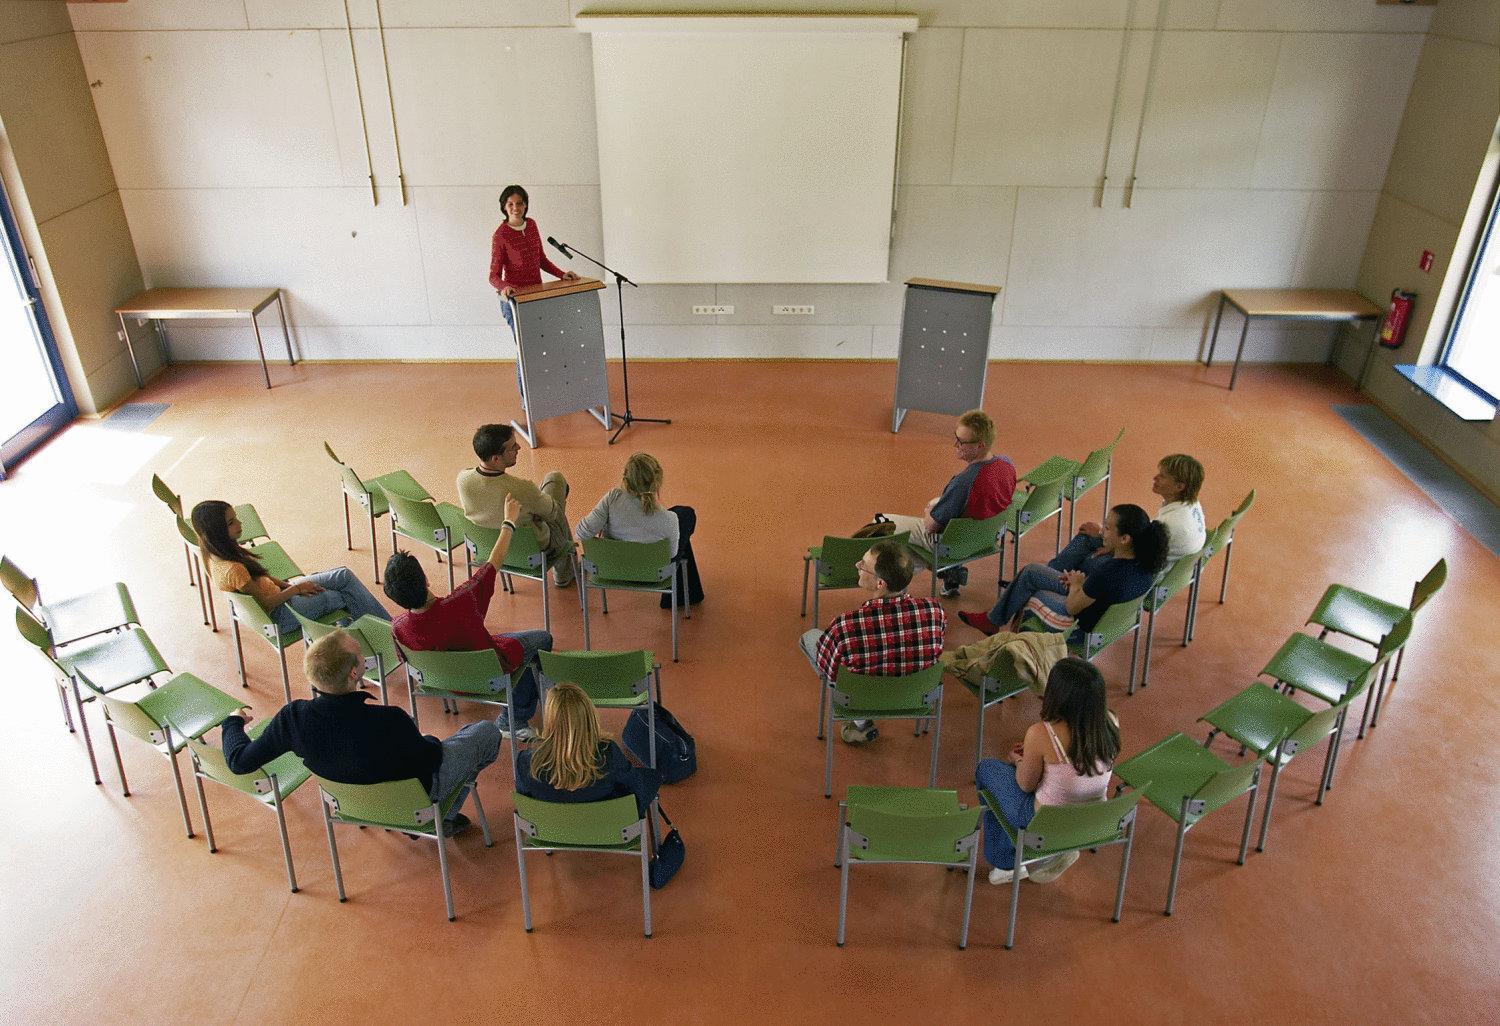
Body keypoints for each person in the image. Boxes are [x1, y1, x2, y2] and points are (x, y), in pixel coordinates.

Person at [220, 630, 499, 835]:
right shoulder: (390, 719)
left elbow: (239, 761)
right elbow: (430, 761)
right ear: (354, 673)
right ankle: (440, 818)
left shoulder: (292, 719)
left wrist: (233, 722)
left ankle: (438, 819)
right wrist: (428, 740)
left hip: (351, 804)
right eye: (359, 653)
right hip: (410, 802)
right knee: (485, 733)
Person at [382, 493, 552, 736]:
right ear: (425, 579)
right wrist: (509, 521)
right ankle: (513, 719)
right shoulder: (461, 603)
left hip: (443, 682)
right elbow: (493, 563)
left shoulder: (398, 628)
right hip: (491, 673)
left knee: (507, 639)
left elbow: (407, 661)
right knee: (542, 638)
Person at [974, 656, 1120, 883]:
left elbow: (1025, 785)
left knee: (987, 770)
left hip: (1046, 822)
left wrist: (1017, 760)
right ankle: (1057, 850)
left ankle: (1006, 862)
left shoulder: (1041, 733)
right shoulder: (1111, 722)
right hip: (1091, 818)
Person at [798, 539, 946, 744]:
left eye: (863, 566)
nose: (857, 565)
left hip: (861, 697)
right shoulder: (934, 611)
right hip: (913, 696)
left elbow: (830, 675)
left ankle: (860, 723)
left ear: (880, 584)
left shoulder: (845, 626)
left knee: (810, 637)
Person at [958, 504, 1167, 640]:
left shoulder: (1108, 571)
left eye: (1108, 528)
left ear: (1125, 539)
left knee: (1031, 583)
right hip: (1106, 619)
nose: (1103, 530)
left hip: (1079, 626)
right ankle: (996, 620)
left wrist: (1076, 583)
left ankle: (1009, 639)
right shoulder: (1147, 564)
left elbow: (1072, 606)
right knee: (1075, 547)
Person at [189, 500, 390, 635]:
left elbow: (261, 577)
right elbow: (266, 604)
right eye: (231, 522)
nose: (239, 523)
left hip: (284, 594)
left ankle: (382, 631)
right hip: (282, 614)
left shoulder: (211, 551)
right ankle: (389, 636)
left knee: (342, 576)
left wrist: (288, 585)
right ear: (217, 531)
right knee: (346, 596)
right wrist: (297, 589)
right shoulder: (233, 569)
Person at [878, 409, 1016, 597]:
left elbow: (930, 526)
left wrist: (929, 511)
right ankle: (950, 574)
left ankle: (897, 580)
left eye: (962, 442)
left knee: (881, 522)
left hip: (953, 544)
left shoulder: (963, 482)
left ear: (980, 445)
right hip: (985, 537)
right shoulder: (1006, 464)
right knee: (940, 505)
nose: (955, 445)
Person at [575, 452, 704, 608]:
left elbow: (582, 533)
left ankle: (692, 594)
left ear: (625, 478)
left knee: (680, 514)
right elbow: (671, 554)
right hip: (652, 575)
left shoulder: (611, 499)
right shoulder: (668, 519)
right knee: (685, 515)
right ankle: (684, 596)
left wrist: (606, 522)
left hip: (612, 569)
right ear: (657, 482)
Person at [490, 184, 579, 409]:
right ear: (504, 207)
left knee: (545, 346)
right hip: (515, 303)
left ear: (526, 204)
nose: (515, 208)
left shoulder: (532, 226)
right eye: (510, 204)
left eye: (519, 203)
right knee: (525, 350)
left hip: (537, 298)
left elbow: (541, 260)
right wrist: (505, 287)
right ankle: (527, 401)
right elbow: (493, 276)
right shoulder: (500, 235)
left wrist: (562, 274)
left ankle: (549, 390)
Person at [514, 682, 660, 818]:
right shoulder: (607, 753)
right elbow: (635, 789)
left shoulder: (526, 762)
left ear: (549, 719)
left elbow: (525, 802)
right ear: (589, 715)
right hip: (605, 827)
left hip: (550, 829)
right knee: (649, 778)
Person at [1047, 453, 1208, 576]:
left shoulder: (1169, 524)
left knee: (1085, 548)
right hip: (1155, 560)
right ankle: (1053, 575)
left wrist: (1104, 540)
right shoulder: (1192, 504)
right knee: (1092, 537)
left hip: (1137, 572)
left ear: (1179, 486)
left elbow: (1132, 548)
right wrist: (1105, 539)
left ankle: (1051, 579)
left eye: (1163, 476)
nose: (1155, 478)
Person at [457, 423, 576, 588]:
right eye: (512, 447)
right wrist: (536, 510)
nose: (519, 447)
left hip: (491, 549)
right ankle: (564, 572)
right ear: (496, 458)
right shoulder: (521, 489)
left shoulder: (462, 479)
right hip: (532, 550)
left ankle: (566, 567)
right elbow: (554, 513)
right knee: (555, 479)